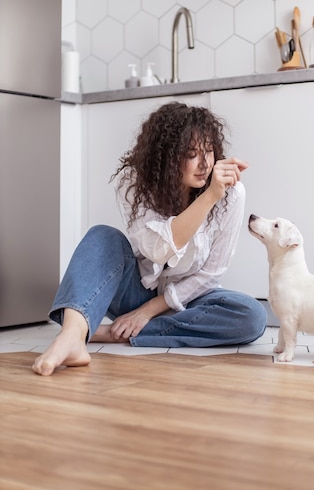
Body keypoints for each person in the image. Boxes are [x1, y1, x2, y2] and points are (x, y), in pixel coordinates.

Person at [32, 101, 267, 376]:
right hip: (135, 291)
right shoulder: (133, 184)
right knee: (102, 237)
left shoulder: (231, 193)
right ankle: (72, 337)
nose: (205, 164)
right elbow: (159, 251)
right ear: (167, 156)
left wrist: (147, 312)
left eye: (209, 151)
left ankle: (108, 333)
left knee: (252, 316)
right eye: (191, 154)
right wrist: (208, 198)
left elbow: (211, 274)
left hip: (185, 302)